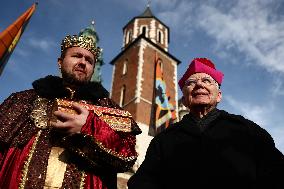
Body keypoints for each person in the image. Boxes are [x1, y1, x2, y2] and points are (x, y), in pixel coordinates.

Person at [0, 34, 141, 189]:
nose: (82, 62)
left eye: (89, 60)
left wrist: (89, 127)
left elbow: (128, 155)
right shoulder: (24, 99)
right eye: (76, 56)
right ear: (60, 62)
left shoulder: (109, 107)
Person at [127, 57, 284, 189]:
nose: (199, 84)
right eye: (191, 82)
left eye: (207, 80)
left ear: (219, 96)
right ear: (184, 99)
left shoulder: (248, 131)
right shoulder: (163, 140)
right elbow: (141, 184)